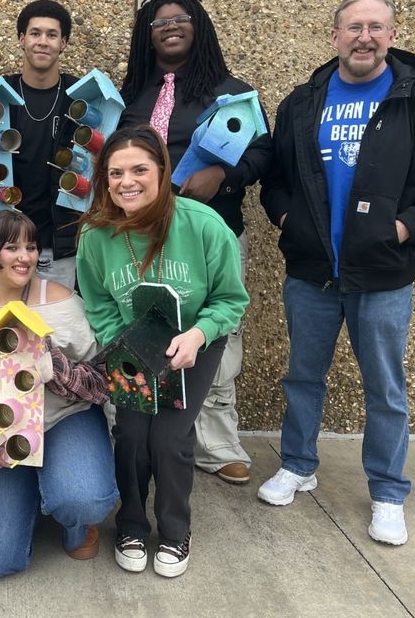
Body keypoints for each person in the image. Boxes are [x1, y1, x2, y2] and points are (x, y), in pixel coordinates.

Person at [258, 0, 415, 545]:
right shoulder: (303, 102)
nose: (365, 37)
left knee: (384, 387)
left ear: (392, 36)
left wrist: (404, 227)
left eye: (376, 27)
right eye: (354, 27)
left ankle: (387, 492)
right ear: (333, 36)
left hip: (383, 275)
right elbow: (276, 177)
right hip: (313, 272)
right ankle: (298, 465)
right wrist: (288, 219)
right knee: (302, 377)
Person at [76, 126, 249, 578]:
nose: (126, 181)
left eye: (139, 169)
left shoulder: (205, 226)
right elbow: (97, 303)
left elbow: (231, 301)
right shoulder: (95, 236)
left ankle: (174, 531)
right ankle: (131, 524)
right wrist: (127, 342)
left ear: (161, 171)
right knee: (132, 434)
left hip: (194, 340)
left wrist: (198, 335)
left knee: (169, 439)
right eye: (115, 173)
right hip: (132, 343)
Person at [119, 0, 272, 486]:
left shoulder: (231, 93)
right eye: (158, 22)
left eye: (181, 18)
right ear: (148, 35)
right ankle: (136, 429)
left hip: (211, 233)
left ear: (198, 26)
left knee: (216, 333)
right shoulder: (132, 93)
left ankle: (216, 442)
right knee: (139, 324)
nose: (170, 26)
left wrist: (225, 177)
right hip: (139, 238)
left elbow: (265, 153)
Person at [0, 210, 118, 579]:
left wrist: (55, 369)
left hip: (64, 420)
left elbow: (103, 381)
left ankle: (74, 520)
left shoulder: (64, 302)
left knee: (82, 497)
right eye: (12, 247)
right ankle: (29, 491)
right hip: (3, 433)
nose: (25, 257)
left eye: (31, 247)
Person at [0, 0, 82, 287]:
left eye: (52, 35)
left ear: (63, 43)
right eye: (35, 33)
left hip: (59, 242)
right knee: (6, 324)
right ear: (22, 39)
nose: (43, 42)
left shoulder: (79, 96)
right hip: (5, 241)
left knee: (55, 325)